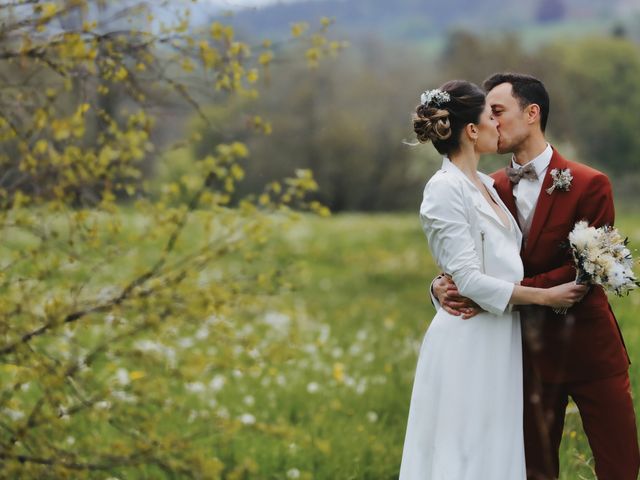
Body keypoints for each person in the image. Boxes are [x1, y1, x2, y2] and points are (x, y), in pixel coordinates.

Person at [432, 73, 640, 480]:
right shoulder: (483, 187)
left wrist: (497, 292)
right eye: (485, 114)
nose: (490, 123)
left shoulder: (590, 183)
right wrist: (441, 287)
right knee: (533, 470)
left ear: (532, 113)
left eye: (497, 111)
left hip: (589, 350)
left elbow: (583, 271)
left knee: (621, 466)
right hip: (521, 355)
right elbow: (464, 259)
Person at [398, 80, 587, 480]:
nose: (497, 126)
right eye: (490, 117)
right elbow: (466, 278)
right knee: (464, 453)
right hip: (468, 340)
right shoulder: (444, 189)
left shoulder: (486, 185)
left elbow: (487, 262)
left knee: (495, 450)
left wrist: (441, 283)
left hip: (500, 337)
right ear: (471, 130)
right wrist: (544, 297)